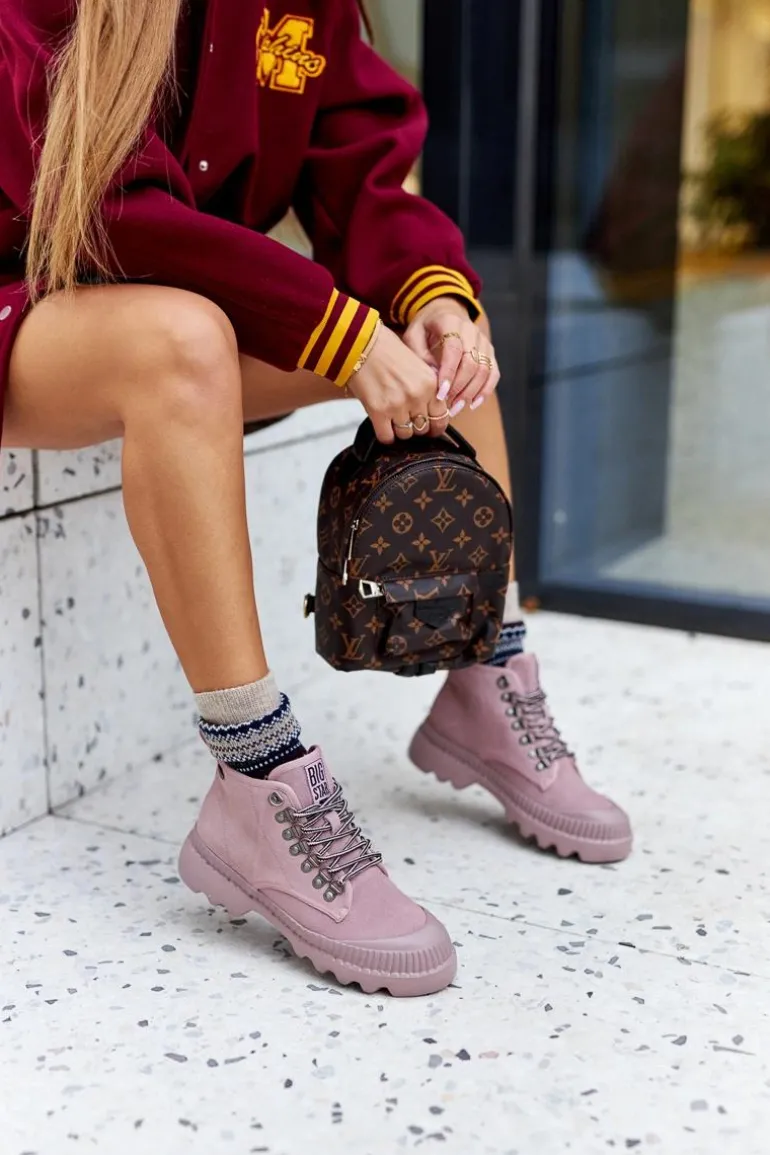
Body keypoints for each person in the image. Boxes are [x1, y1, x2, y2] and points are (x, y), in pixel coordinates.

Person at [0, 0, 631, 997]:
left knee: (441, 346)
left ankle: (486, 668)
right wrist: (330, 328)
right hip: (32, 293)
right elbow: (105, 207)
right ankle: (257, 777)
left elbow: (364, 168)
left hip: (183, 295)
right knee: (183, 341)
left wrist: (432, 299)